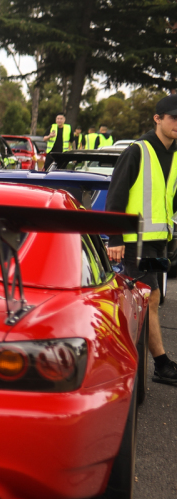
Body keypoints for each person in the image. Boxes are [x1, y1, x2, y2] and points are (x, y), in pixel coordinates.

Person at [105, 94, 177, 386]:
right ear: (157, 119)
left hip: (158, 242)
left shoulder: (174, 154)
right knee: (150, 299)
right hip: (135, 243)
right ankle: (159, 364)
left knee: (150, 300)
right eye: (173, 118)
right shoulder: (138, 150)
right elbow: (116, 198)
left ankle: (143, 364)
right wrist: (114, 238)